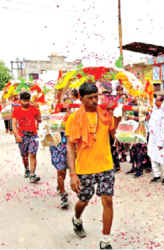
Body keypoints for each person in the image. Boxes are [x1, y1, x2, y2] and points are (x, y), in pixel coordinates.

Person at [66, 83, 116, 249]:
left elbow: (115, 135)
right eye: (90, 98)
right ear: (81, 98)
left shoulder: (105, 114)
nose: (95, 100)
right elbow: (70, 148)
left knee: (107, 200)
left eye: (97, 96)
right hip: (85, 168)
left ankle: (106, 240)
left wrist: (119, 117)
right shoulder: (74, 118)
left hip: (106, 165)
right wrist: (73, 175)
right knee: (84, 200)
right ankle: (77, 219)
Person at [12, 92, 41, 183]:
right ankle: (26, 168)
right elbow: (13, 124)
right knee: (24, 156)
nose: (26, 103)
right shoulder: (16, 110)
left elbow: (39, 120)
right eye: (24, 101)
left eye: (28, 101)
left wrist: (39, 111)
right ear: (20, 100)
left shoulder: (34, 108)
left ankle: (32, 174)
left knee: (32, 155)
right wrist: (17, 136)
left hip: (33, 135)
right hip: (22, 136)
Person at [148, 95, 164, 184]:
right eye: (155, 100)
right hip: (152, 138)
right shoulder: (154, 110)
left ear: (162, 102)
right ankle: (156, 175)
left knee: (163, 158)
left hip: (161, 139)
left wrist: (161, 142)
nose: (156, 102)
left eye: (158, 100)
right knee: (153, 157)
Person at [50, 130, 69, 209]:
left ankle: (60, 186)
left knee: (64, 170)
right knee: (60, 170)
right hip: (55, 146)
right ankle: (63, 196)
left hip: (68, 143)